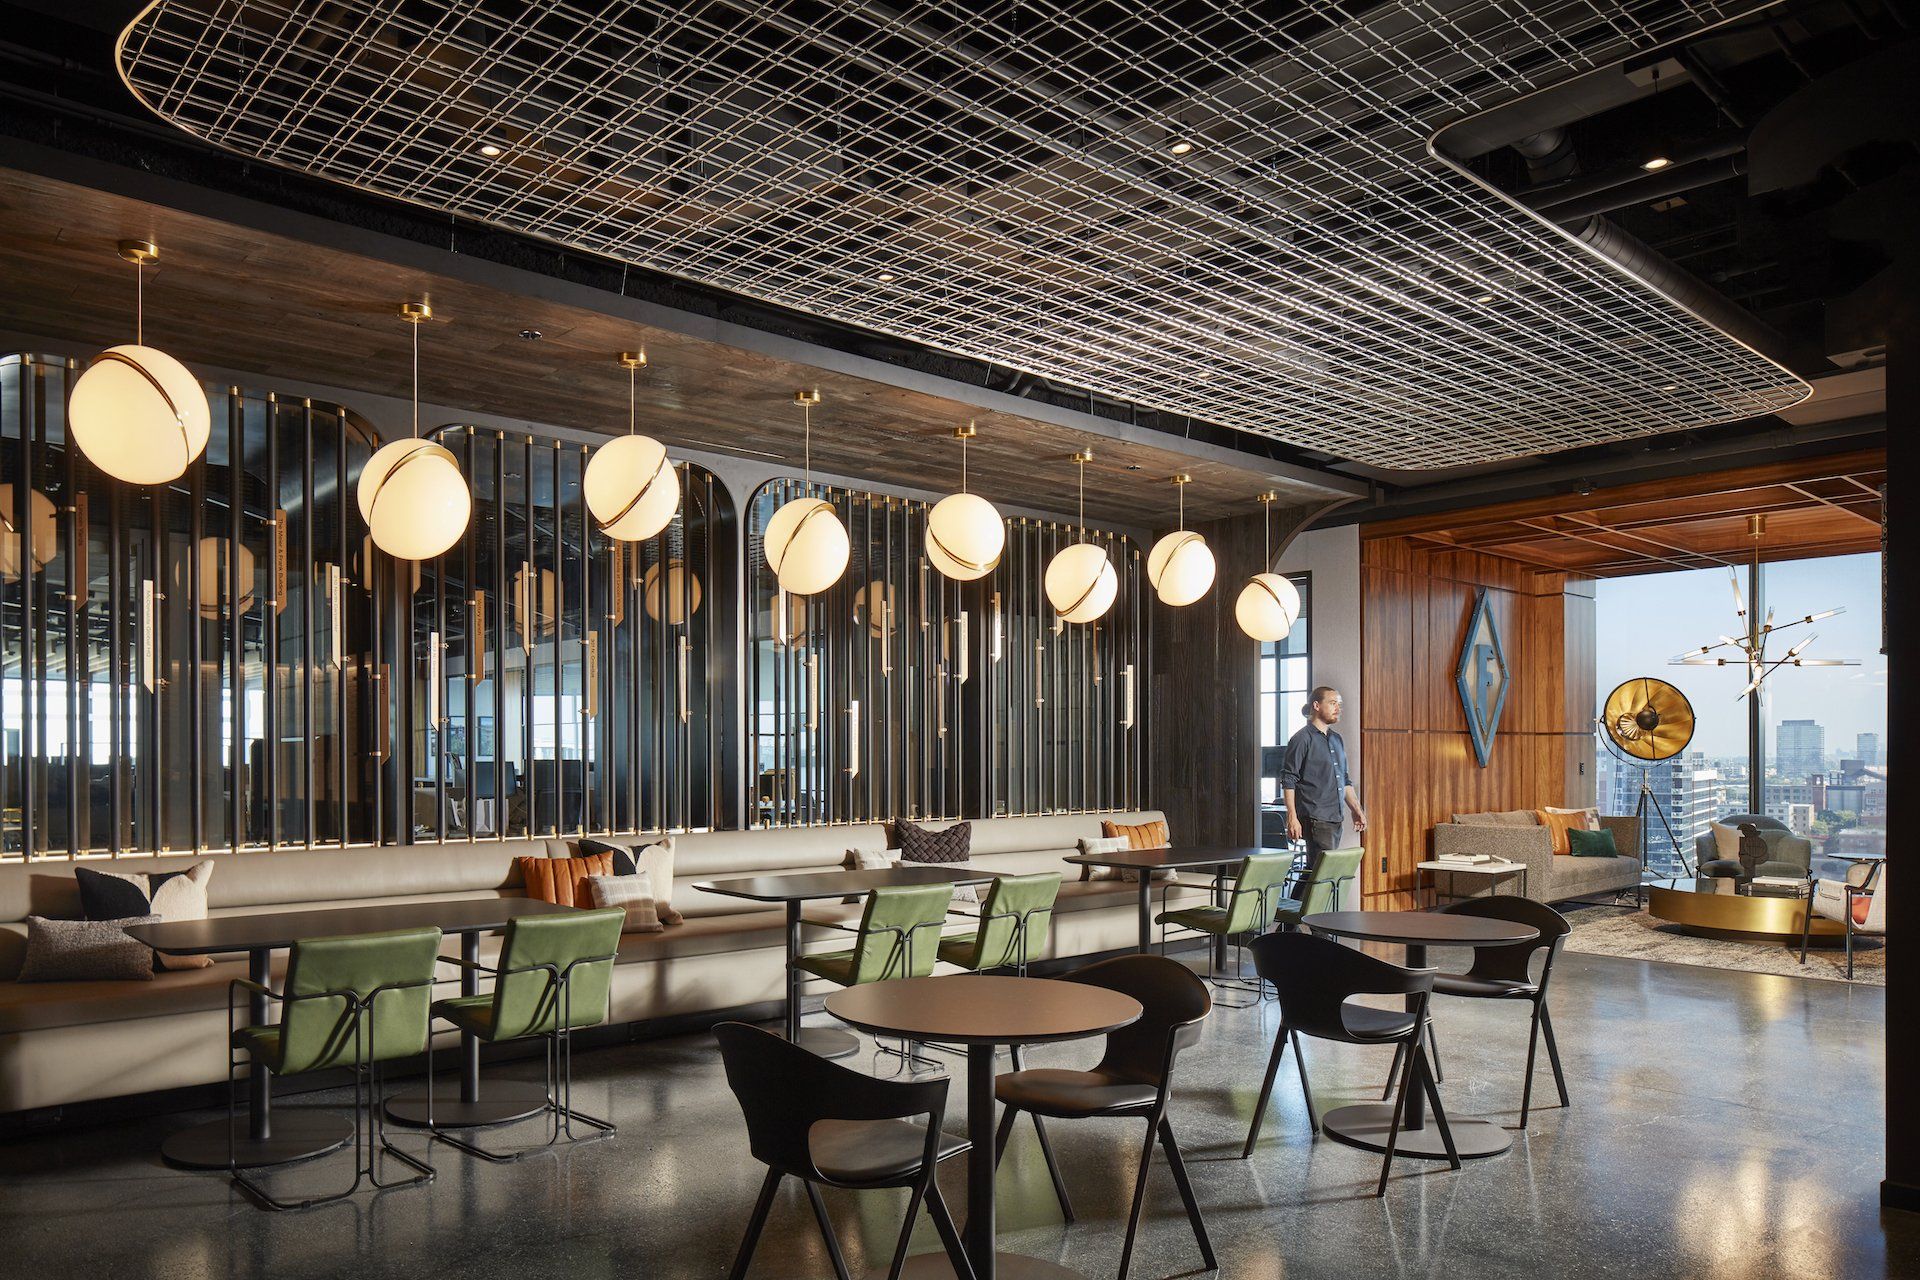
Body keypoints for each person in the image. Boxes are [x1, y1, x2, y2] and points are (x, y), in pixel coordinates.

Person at [1279, 686, 1367, 887]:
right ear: (1316, 705)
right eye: (1333, 703)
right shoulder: (1301, 739)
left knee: (1315, 872)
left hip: (1335, 816)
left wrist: (1357, 810)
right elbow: (1289, 779)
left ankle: (1291, 917)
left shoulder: (1336, 739)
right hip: (1315, 816)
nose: (1338, 708)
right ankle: (1301, 917)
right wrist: (1292, 817)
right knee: (1322, 874)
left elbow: (1343, 779)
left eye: (1339, 704)